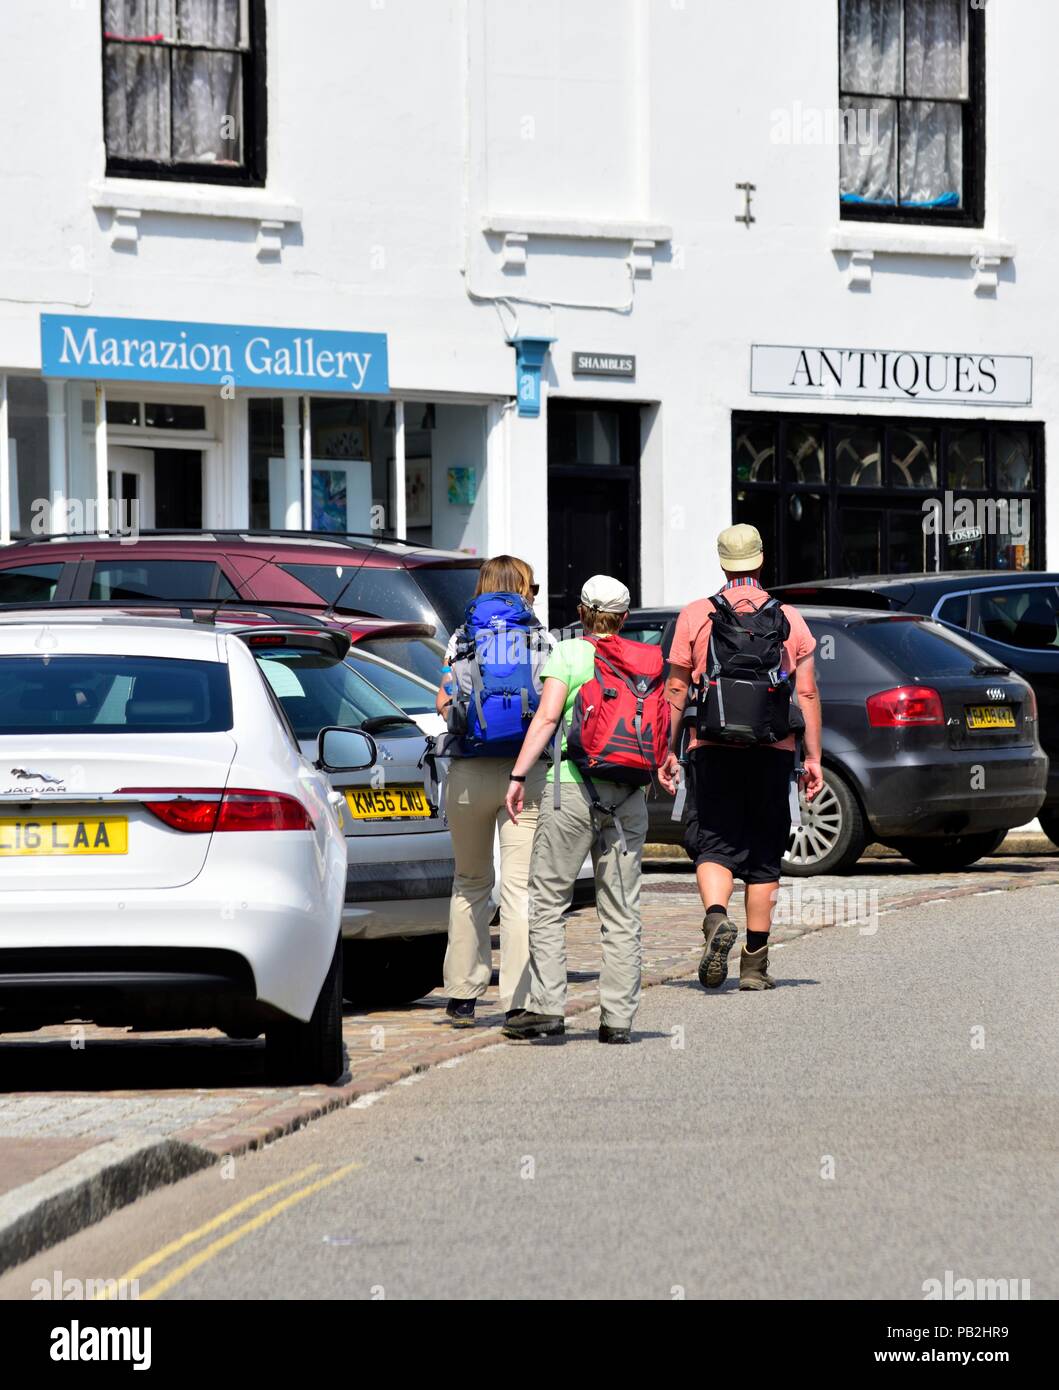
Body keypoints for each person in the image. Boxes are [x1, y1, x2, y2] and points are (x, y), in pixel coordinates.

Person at [501, 575, 678, 1044]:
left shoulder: (570, 653)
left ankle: (548, 1008)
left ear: (581, 612)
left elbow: (546, 719)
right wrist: (664, 761)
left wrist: (518, 777)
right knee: (621, 910)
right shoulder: (644, 659)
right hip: (630, 796)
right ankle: (618, 1020)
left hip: (573, 790)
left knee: (548, 901)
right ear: (624, 618)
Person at [662, 524, 823, 991]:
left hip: (711, 749)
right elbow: (807, 692)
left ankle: (716, 920)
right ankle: (755, 965)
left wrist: (667, 749)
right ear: (760, 560)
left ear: (721, 563)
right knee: (764, 852)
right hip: (773, 751)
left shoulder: (695, 615)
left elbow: (676, 687)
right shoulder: (789, 617)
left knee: (713, 842)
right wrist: (813, 756)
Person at [437, 555, 550, 1027]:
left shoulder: (463, 637)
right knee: (520, 887)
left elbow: (444, 700)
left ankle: (463, 996)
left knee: (470, 883)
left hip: (468, 773)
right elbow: (551, 707)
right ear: (524, 589)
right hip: (524, 776)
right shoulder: (540, 637)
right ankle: (519, 1000)